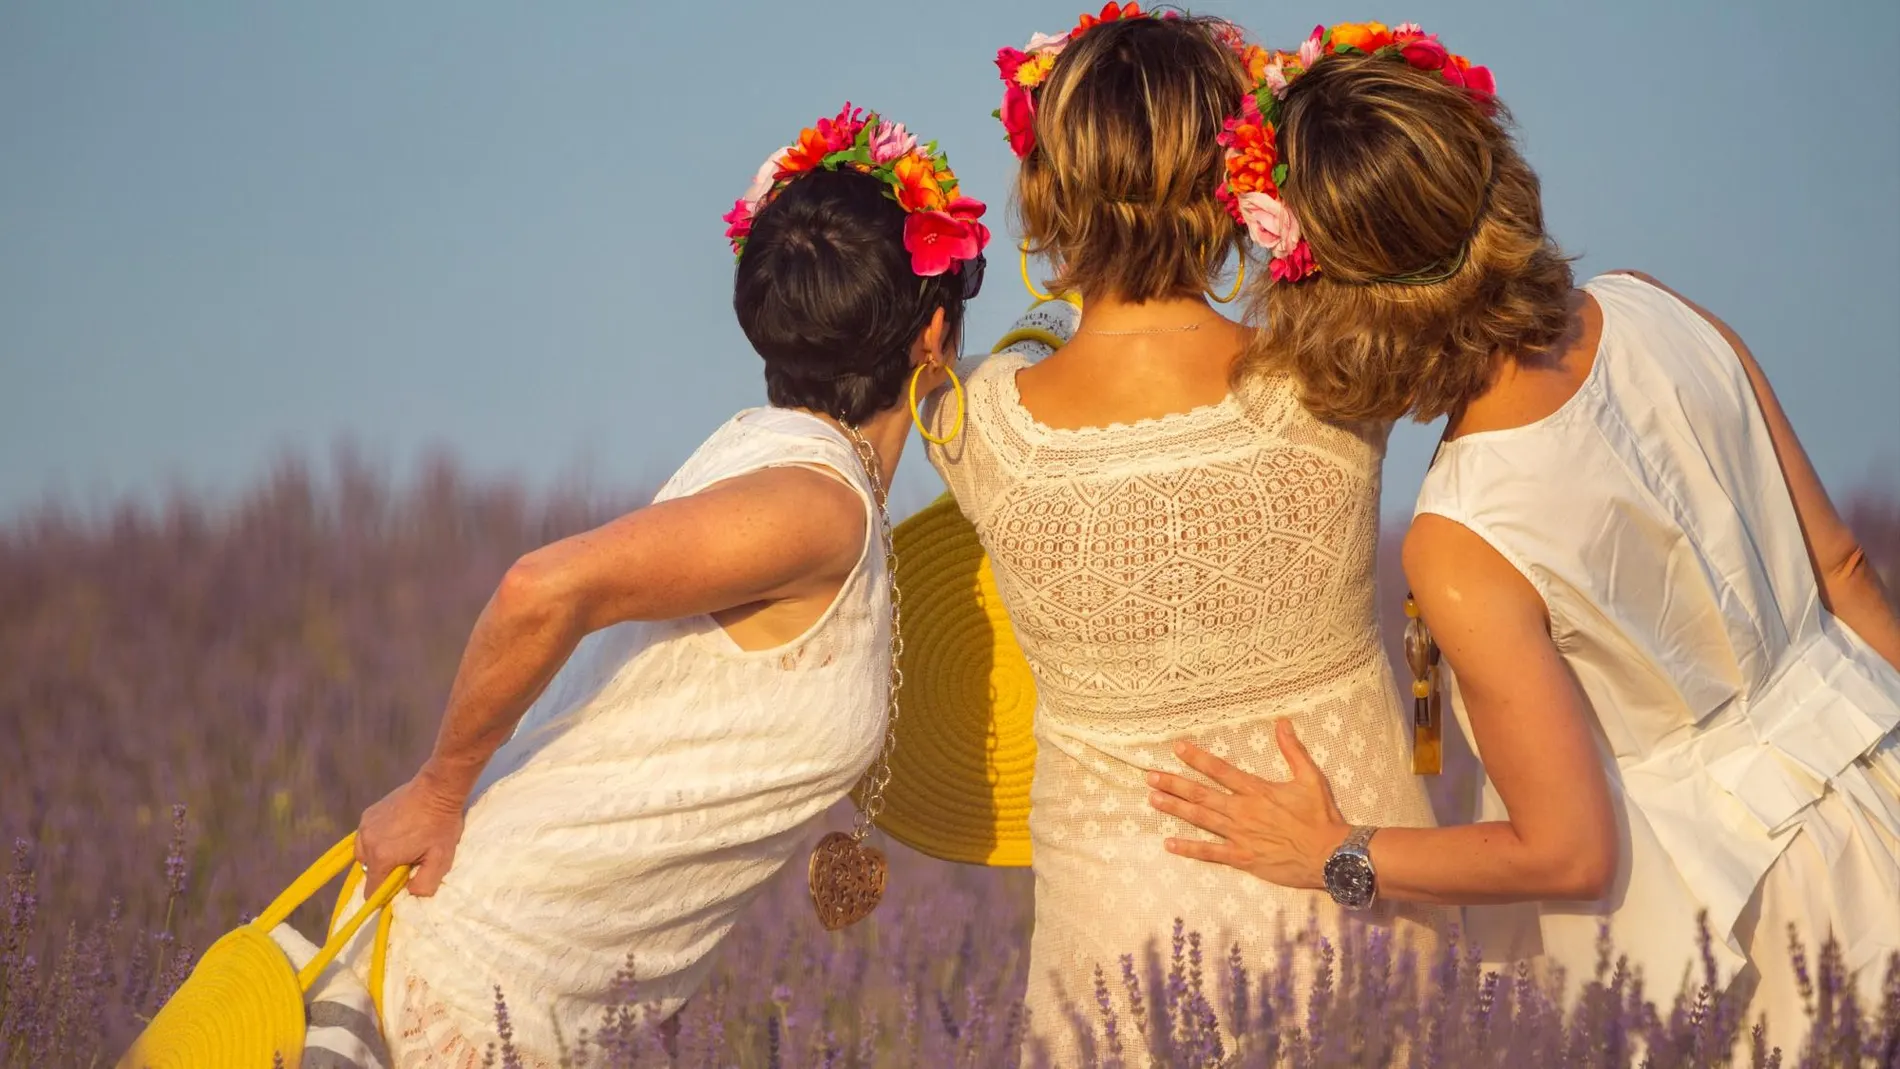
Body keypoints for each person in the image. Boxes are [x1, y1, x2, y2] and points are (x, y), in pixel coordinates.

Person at [1145, 25, 1900, 1052]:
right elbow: (1846, 570)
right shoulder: (1651, 304)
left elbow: (1569, 851)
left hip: (1757, 928)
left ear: (1333, 294)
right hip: (1876, 797)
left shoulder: (1462, 536)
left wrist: (1336, 852)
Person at [343, 106, 990, 1067]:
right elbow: (539, 586)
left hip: (523, 972)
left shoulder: (778, 456)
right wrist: (439, 788)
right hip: (487, 978)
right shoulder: (818, 504)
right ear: (933, 330)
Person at [932, 10, 1449, 1062]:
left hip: (1115, 964)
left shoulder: (974, 423)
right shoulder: (1335, 372)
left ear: (1047, 183)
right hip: (1361, 911)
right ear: (1239, 178)